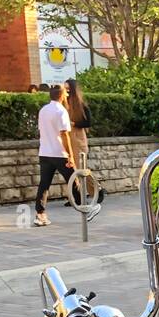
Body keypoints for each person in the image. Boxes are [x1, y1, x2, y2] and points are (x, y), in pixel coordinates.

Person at [33, 84, 99, 227]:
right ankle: (85, 210)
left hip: (44, 153)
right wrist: (69, 155)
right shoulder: (61, 111)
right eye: (66, 94)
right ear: (62, 95)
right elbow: (64, 135)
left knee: (44, 184)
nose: (67, 96)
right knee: (73, 181)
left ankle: (40, 214)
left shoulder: (43, 111)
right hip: (59, 153)